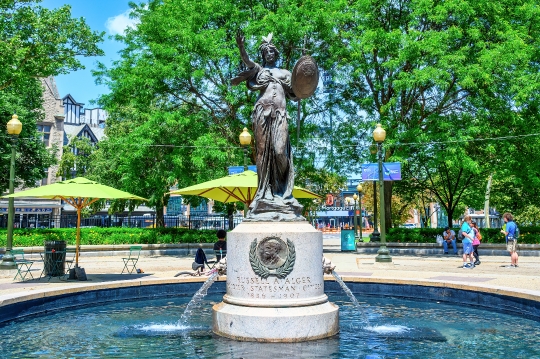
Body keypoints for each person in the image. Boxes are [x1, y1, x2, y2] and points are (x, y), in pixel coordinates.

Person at [232, 31, 303, 221]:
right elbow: (247, 62)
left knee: (280, 152)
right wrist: (241, 46)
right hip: (262, 112)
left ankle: (282, 192)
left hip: (280, 113)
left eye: (272, 51)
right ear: (263, 55)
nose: (269, 54)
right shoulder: (259, 70)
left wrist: (304, 84)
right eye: (266, 52)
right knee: (262, 154)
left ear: (276, 54)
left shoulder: (286, 73)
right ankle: (264, 194)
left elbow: (298, 92)